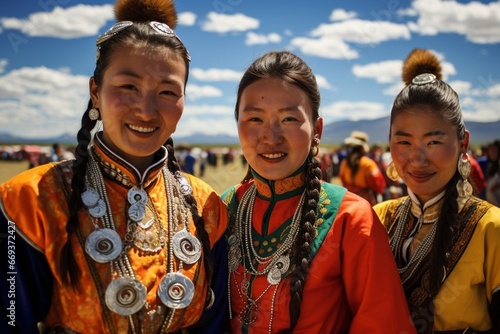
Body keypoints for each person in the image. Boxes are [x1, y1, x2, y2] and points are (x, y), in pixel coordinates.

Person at [0, 0, 229, 333]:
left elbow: (216, 324)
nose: (147, 110)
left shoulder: (207, 206)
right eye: (128, 87)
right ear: (95, 92)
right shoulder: (29, 200)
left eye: (167, 92)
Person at [221, 50, 416, 333]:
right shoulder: (223, 208)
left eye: (288, 119)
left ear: (317, 130)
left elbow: (383, 323)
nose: (270, 136)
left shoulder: (351, 218)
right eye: (254, 119)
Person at [373, 48, 500, 333]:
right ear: (389, 143)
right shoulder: (375, 220)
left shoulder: (491, 229)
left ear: (463, 143)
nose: (417, 159)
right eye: (404, 143)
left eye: (433, 142)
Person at [338, 131, 387, 205]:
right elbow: (378, 185)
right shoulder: (368, 163)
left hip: (348, 198)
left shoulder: (344, 163)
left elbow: (342, 179)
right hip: (364, 200)